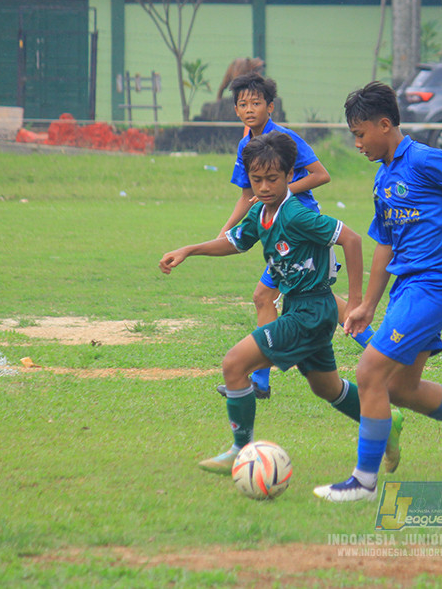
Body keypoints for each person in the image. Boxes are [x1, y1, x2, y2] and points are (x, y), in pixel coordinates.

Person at [160, 131, 403, 474]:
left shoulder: (296, 215)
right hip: (303, 309)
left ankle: (240, 449)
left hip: (310, 311)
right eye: (256, 180)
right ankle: (386, 421)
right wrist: (189, 250)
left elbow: (350, 238)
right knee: (327, 388)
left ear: (291, 176)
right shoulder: (260, 213)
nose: (263, 187)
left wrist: (358, 301)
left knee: (234, 364)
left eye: (272, 179)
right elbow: (235, 242)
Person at [313, 81, 442, 503]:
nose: (357, 143)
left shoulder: (427, 160)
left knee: (368, 372)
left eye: (360, 134)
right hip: (406, 288)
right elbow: (385, 247)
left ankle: (363, 482)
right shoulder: (383, 180)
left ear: (385, 125)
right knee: (400, 388)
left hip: (437, 286)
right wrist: (366, 305)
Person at [219, 73, 376, 400]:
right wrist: (227, 231)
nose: (250, 109)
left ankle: (259, 381)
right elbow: (245, 195)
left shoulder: (283, 137)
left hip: (300, 228)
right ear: (235, 109)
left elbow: (322, 174)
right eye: (243, 104)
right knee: (319, 299)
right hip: (277, 229)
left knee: (267, 296)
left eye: (256, 103)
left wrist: (280, 190)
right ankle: (381, 348)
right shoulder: (246, 144)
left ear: (270, 106)